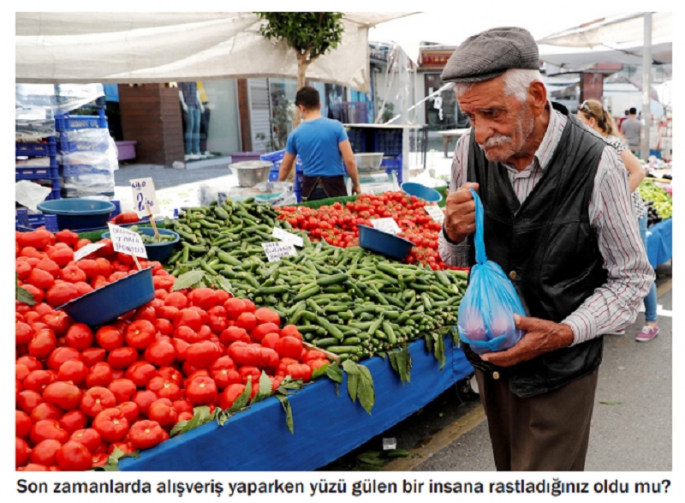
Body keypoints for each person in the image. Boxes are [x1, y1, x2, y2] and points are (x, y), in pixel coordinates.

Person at [438, 27, 654, 471]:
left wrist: (563, 332)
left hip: (562, 371)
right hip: (493, 361)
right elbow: (456, 257)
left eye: (493, 114)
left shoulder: (598, 163)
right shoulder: (468, 151)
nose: (480, 133)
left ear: (536, 96)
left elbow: (632, 278)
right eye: (470, 116)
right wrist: (453, 231)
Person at [577, 99, 658, 342]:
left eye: (581, 122)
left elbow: (639, 172)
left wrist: (617, 201)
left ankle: (652, 320)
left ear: (592, 121)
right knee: (613, 266)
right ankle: (621, 319)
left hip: (632, 215)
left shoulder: (612, 143)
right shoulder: (589, 146)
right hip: (609, 218)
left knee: (637, 266)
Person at [278, 86, 361, 201]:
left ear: (301, 108)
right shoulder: (336, 127)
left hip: (310, 192)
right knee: (338, 218)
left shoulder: (295, 134)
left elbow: (285, 166)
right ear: (320, 105)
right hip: (335, 190)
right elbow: (350, 161)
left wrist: (277, 186)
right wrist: (356, 184)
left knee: (314, 218)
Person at [178, 81, 205, 161]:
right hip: (188, 104)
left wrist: (200, 104)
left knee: (197, 127)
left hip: (196, 105)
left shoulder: (194, 81)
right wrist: (183, 104)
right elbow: (180, 92)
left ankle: (196, 151)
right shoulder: (181, 81)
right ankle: (188, 152)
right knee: (190, 127)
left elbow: (196, 92)